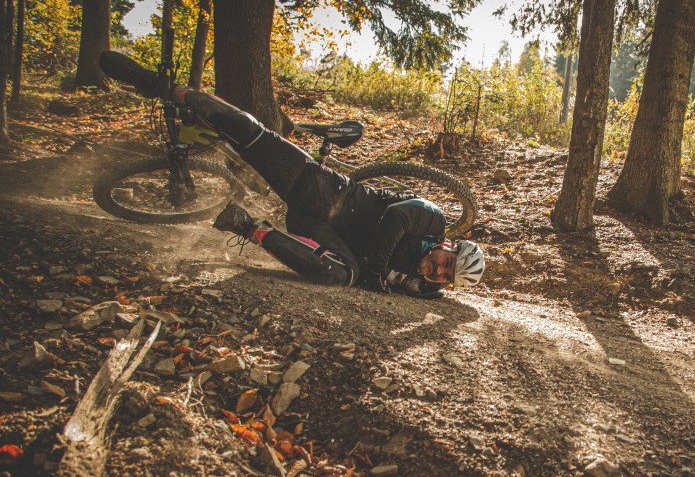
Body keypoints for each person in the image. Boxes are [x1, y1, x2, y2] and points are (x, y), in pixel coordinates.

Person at [98, 51, 485, 298]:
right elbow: (397, 217)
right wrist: (378, 273)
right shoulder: (431, 218)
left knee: (339, 278)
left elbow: (427, 296)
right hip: (323, 193)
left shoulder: (425, 286)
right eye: (444, 264)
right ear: (448, 246)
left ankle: (247, 226)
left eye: (444, 279)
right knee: (254, 134)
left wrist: (390, 280)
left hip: (319, 231)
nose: (437, 272)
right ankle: (169, 89)